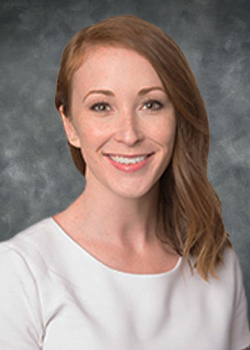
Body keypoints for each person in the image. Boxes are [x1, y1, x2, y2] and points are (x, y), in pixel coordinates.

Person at [0, 15, 249, 350]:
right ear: (69, 124)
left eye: (151, 104)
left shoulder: (218, 261)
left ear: (178, 116)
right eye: (101, 106)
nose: (129, 134)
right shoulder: (18, 272)